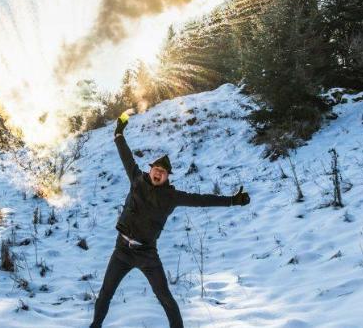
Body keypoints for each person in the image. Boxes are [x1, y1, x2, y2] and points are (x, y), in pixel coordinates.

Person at [90, 110, 251, 328]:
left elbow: (201, 200)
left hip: (147, 253)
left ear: (167, 177)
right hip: (122, 250)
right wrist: (118, 133)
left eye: (163, 172)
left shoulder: (172, 196)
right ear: (151, 170)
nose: (158, 173)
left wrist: (233, 200)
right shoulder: (137, 179)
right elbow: (125, 155)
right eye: (156, 169)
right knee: (105, 293)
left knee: (165, 297)